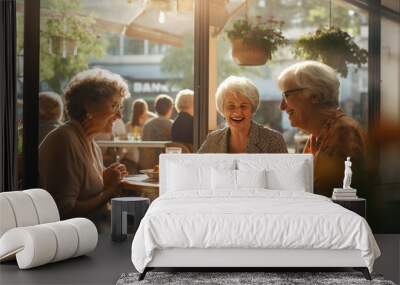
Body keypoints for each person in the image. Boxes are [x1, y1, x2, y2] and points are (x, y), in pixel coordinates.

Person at [39, 68, 129, 220]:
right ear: (89, 105)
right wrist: (109, 189)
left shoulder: (92, 145)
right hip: (72, 239)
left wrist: (104, 177)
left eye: (120, 107)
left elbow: (84, 189)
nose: (119, 115)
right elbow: (65, 211)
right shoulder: (65, 140)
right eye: (114, 105)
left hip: (91, 232)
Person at [277, 60, 367, 197]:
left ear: (314, 96)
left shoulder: (343, 132)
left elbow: (334, 199)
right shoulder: (317, 134)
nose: (282, 106)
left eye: (286, 95)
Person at [198, 76, 287, 153]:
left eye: (243, 106)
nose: (237, 112)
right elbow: (197, 169)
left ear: (252, 109)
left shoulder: (273, 140)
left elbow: (285, 172)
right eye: (231, 106)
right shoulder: (213, 140)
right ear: (222, 110)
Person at [140, 94, 174, 169]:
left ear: (156, 108)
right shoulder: (173, 125)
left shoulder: (147, 125)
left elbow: (143, 150)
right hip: (167, 165)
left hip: (147, 167)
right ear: (170, 108)